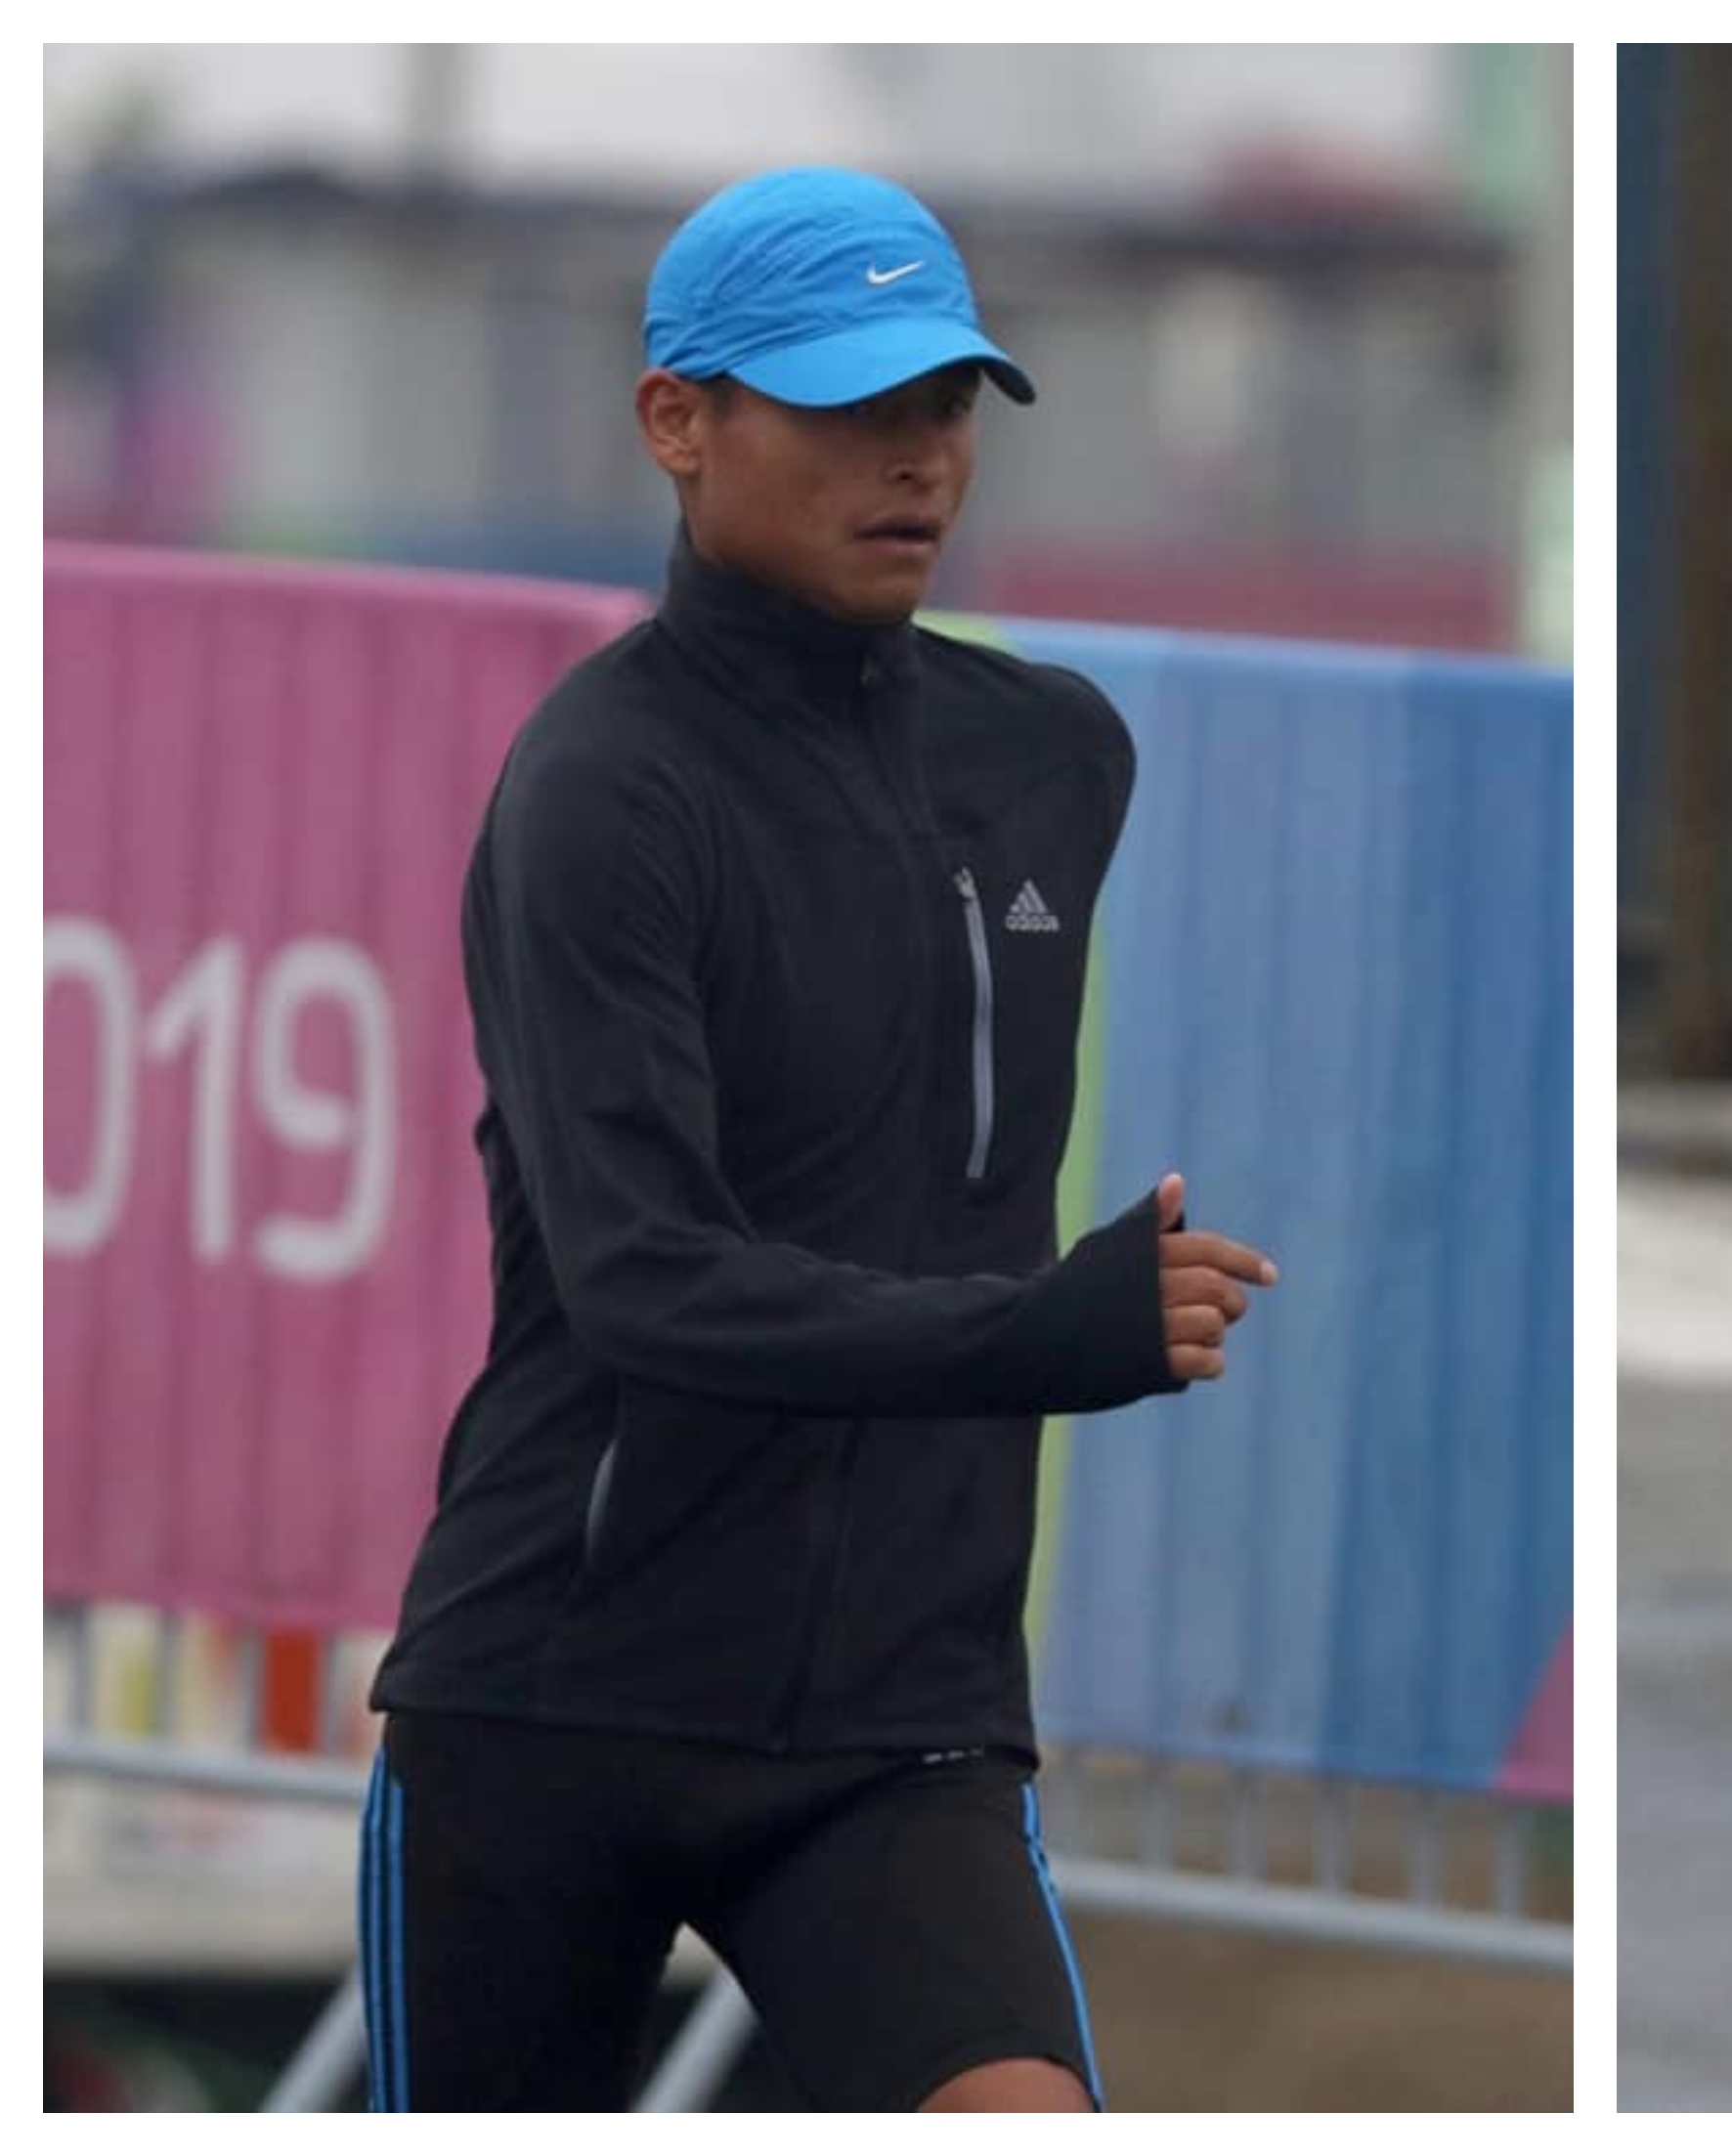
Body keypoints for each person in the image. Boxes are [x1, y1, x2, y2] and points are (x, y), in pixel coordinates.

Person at [359, 166, 1277, 2113]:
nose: (918, 460)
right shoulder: (600, 785)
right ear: (677, 421)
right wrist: (1049, 1328)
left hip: (900, 1718)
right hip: (557, 1701)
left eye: (945, 407)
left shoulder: (1055, 754)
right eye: (853, 410)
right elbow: (639, 1273)